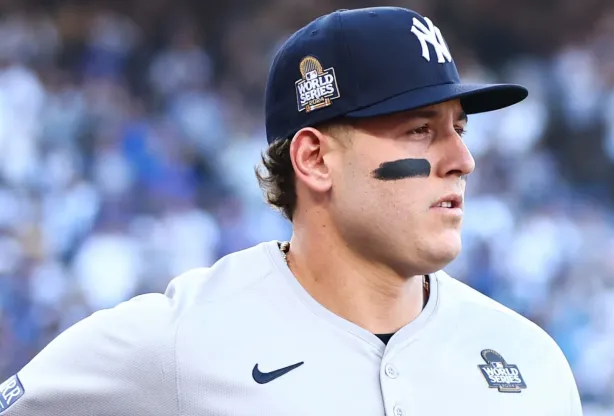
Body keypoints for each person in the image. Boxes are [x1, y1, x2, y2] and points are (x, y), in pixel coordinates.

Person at [0, 6, 582, 416]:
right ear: (314, 159)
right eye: (419, 131)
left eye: (458, 128)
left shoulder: (529, 360)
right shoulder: (178, 340)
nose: (463, 159)